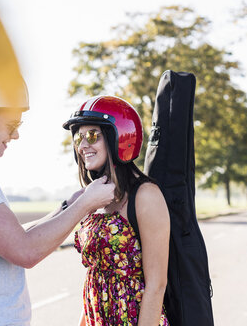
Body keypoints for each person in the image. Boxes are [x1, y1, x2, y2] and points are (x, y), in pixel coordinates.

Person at [0, 64, 116, 325]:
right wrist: (85, 205)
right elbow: (24, 251)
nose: (15, 134)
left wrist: (65, 207)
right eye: (11, 123)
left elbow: (13, 237)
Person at [62, 95, 170, 326]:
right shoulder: (95, 196)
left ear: (118, 137)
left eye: (91, 136)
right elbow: (95, 279)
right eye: (78, 138)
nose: (82, 146)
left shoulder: (146, 195)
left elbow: (157, 285)